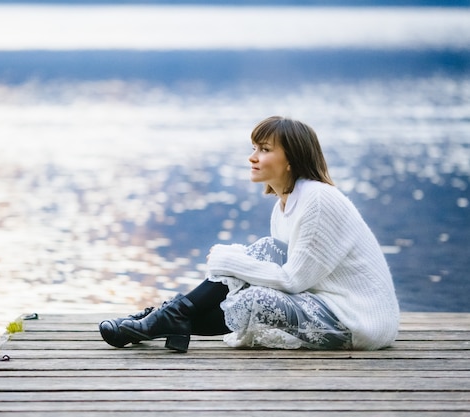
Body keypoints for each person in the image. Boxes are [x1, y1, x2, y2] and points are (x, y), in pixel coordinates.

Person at [99, 116, 400, 353]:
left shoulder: (318, 200)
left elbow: (293, 281)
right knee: (266, 249)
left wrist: (229, 260)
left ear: (291, 160)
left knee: (252, 298)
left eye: (265, 150)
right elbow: (286, 277)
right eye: (255, 148)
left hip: (357, 321)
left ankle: (167, 319)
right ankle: (170, 317)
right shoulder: (284, 207)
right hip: (323, 303)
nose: (252, 157)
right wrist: (235, 261)